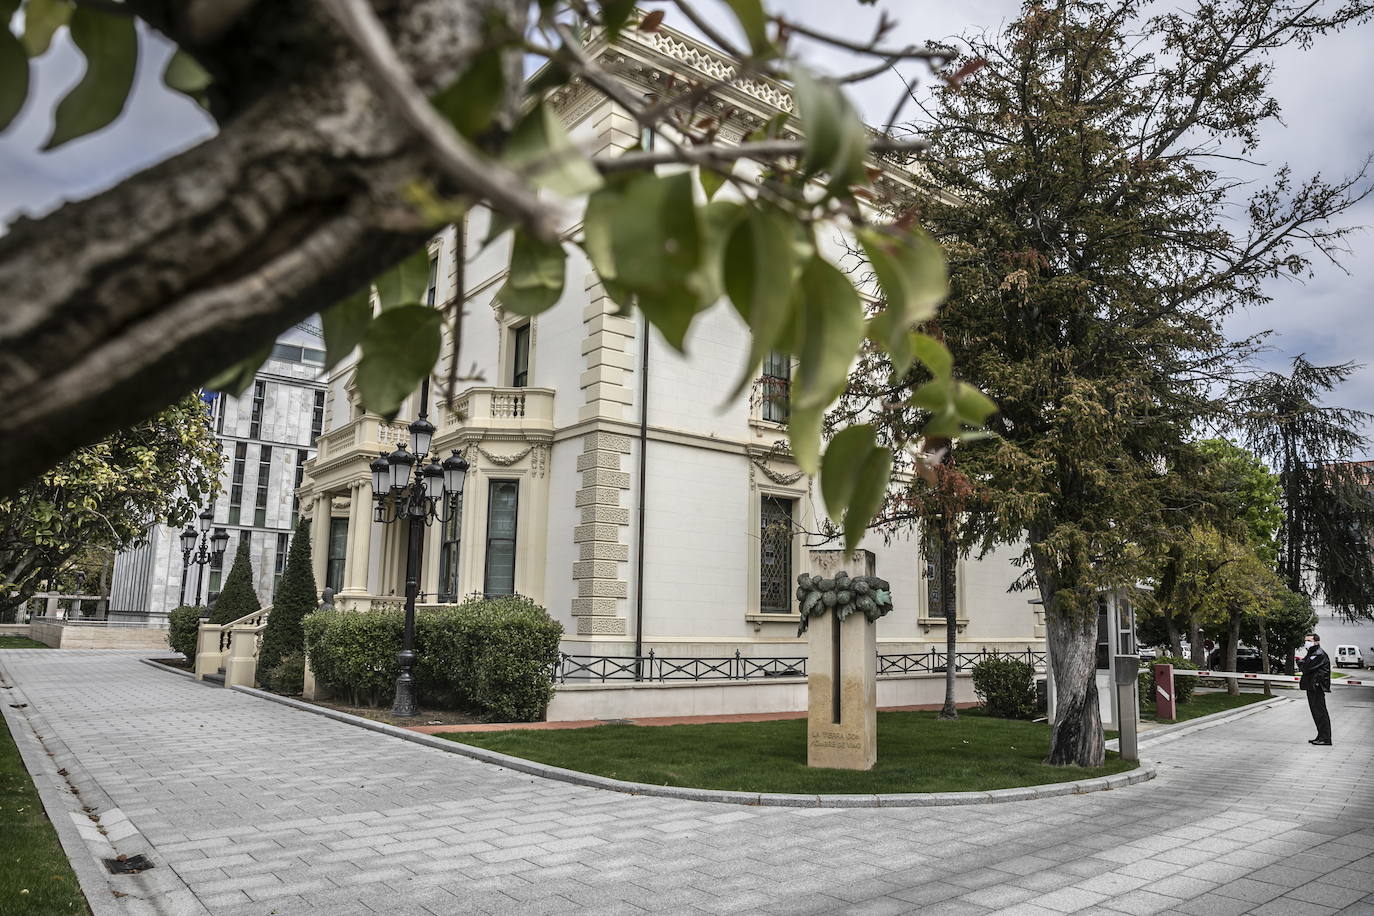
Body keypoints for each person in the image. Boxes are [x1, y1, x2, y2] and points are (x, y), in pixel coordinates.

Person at [1298, 632, 1332, 746]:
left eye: (1309, 641)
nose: (1306, 643)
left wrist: (1300, 663)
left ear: (1316, 642)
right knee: (1316, 712)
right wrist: (1303, 663)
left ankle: (1325, 738)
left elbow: (1306, 667)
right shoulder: (1312, 653)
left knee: (1320, 712)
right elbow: (1306, 664)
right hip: (1312, 686)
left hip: (1317, 686)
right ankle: (1321, 735)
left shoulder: (1318, 654)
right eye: (1305, 641)